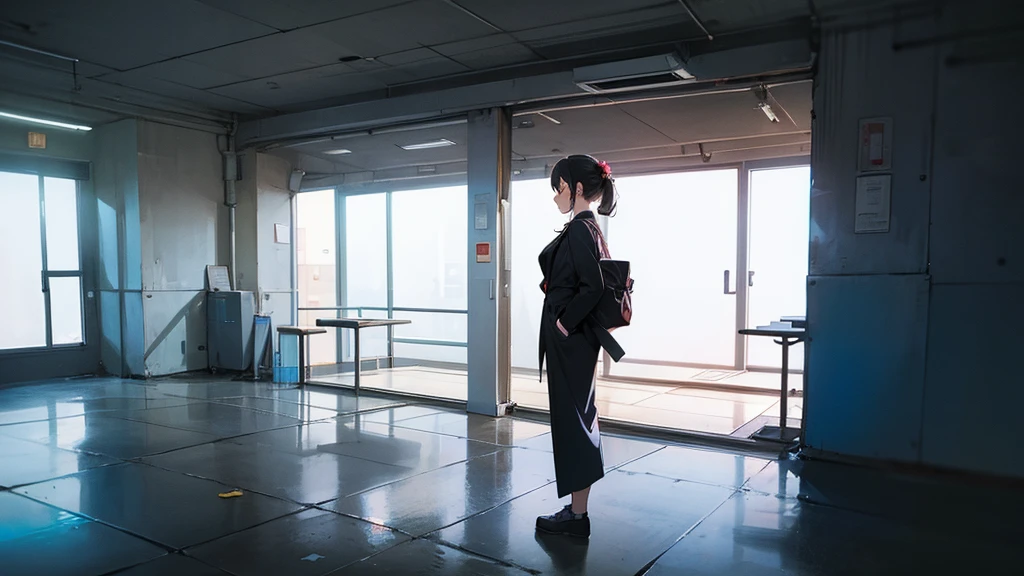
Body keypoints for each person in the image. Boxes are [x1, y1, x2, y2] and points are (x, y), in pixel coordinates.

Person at [535, 154, 618, 539]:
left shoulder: (584, 228)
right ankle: (575, 510)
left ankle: (577, 516)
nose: (556, 197)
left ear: (578, 189)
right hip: (575, 342)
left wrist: (564, 324)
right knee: (577, 422)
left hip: (572, 342)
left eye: (560, 188)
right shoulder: (587, 227)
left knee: (575, 424)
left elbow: (593, 288)